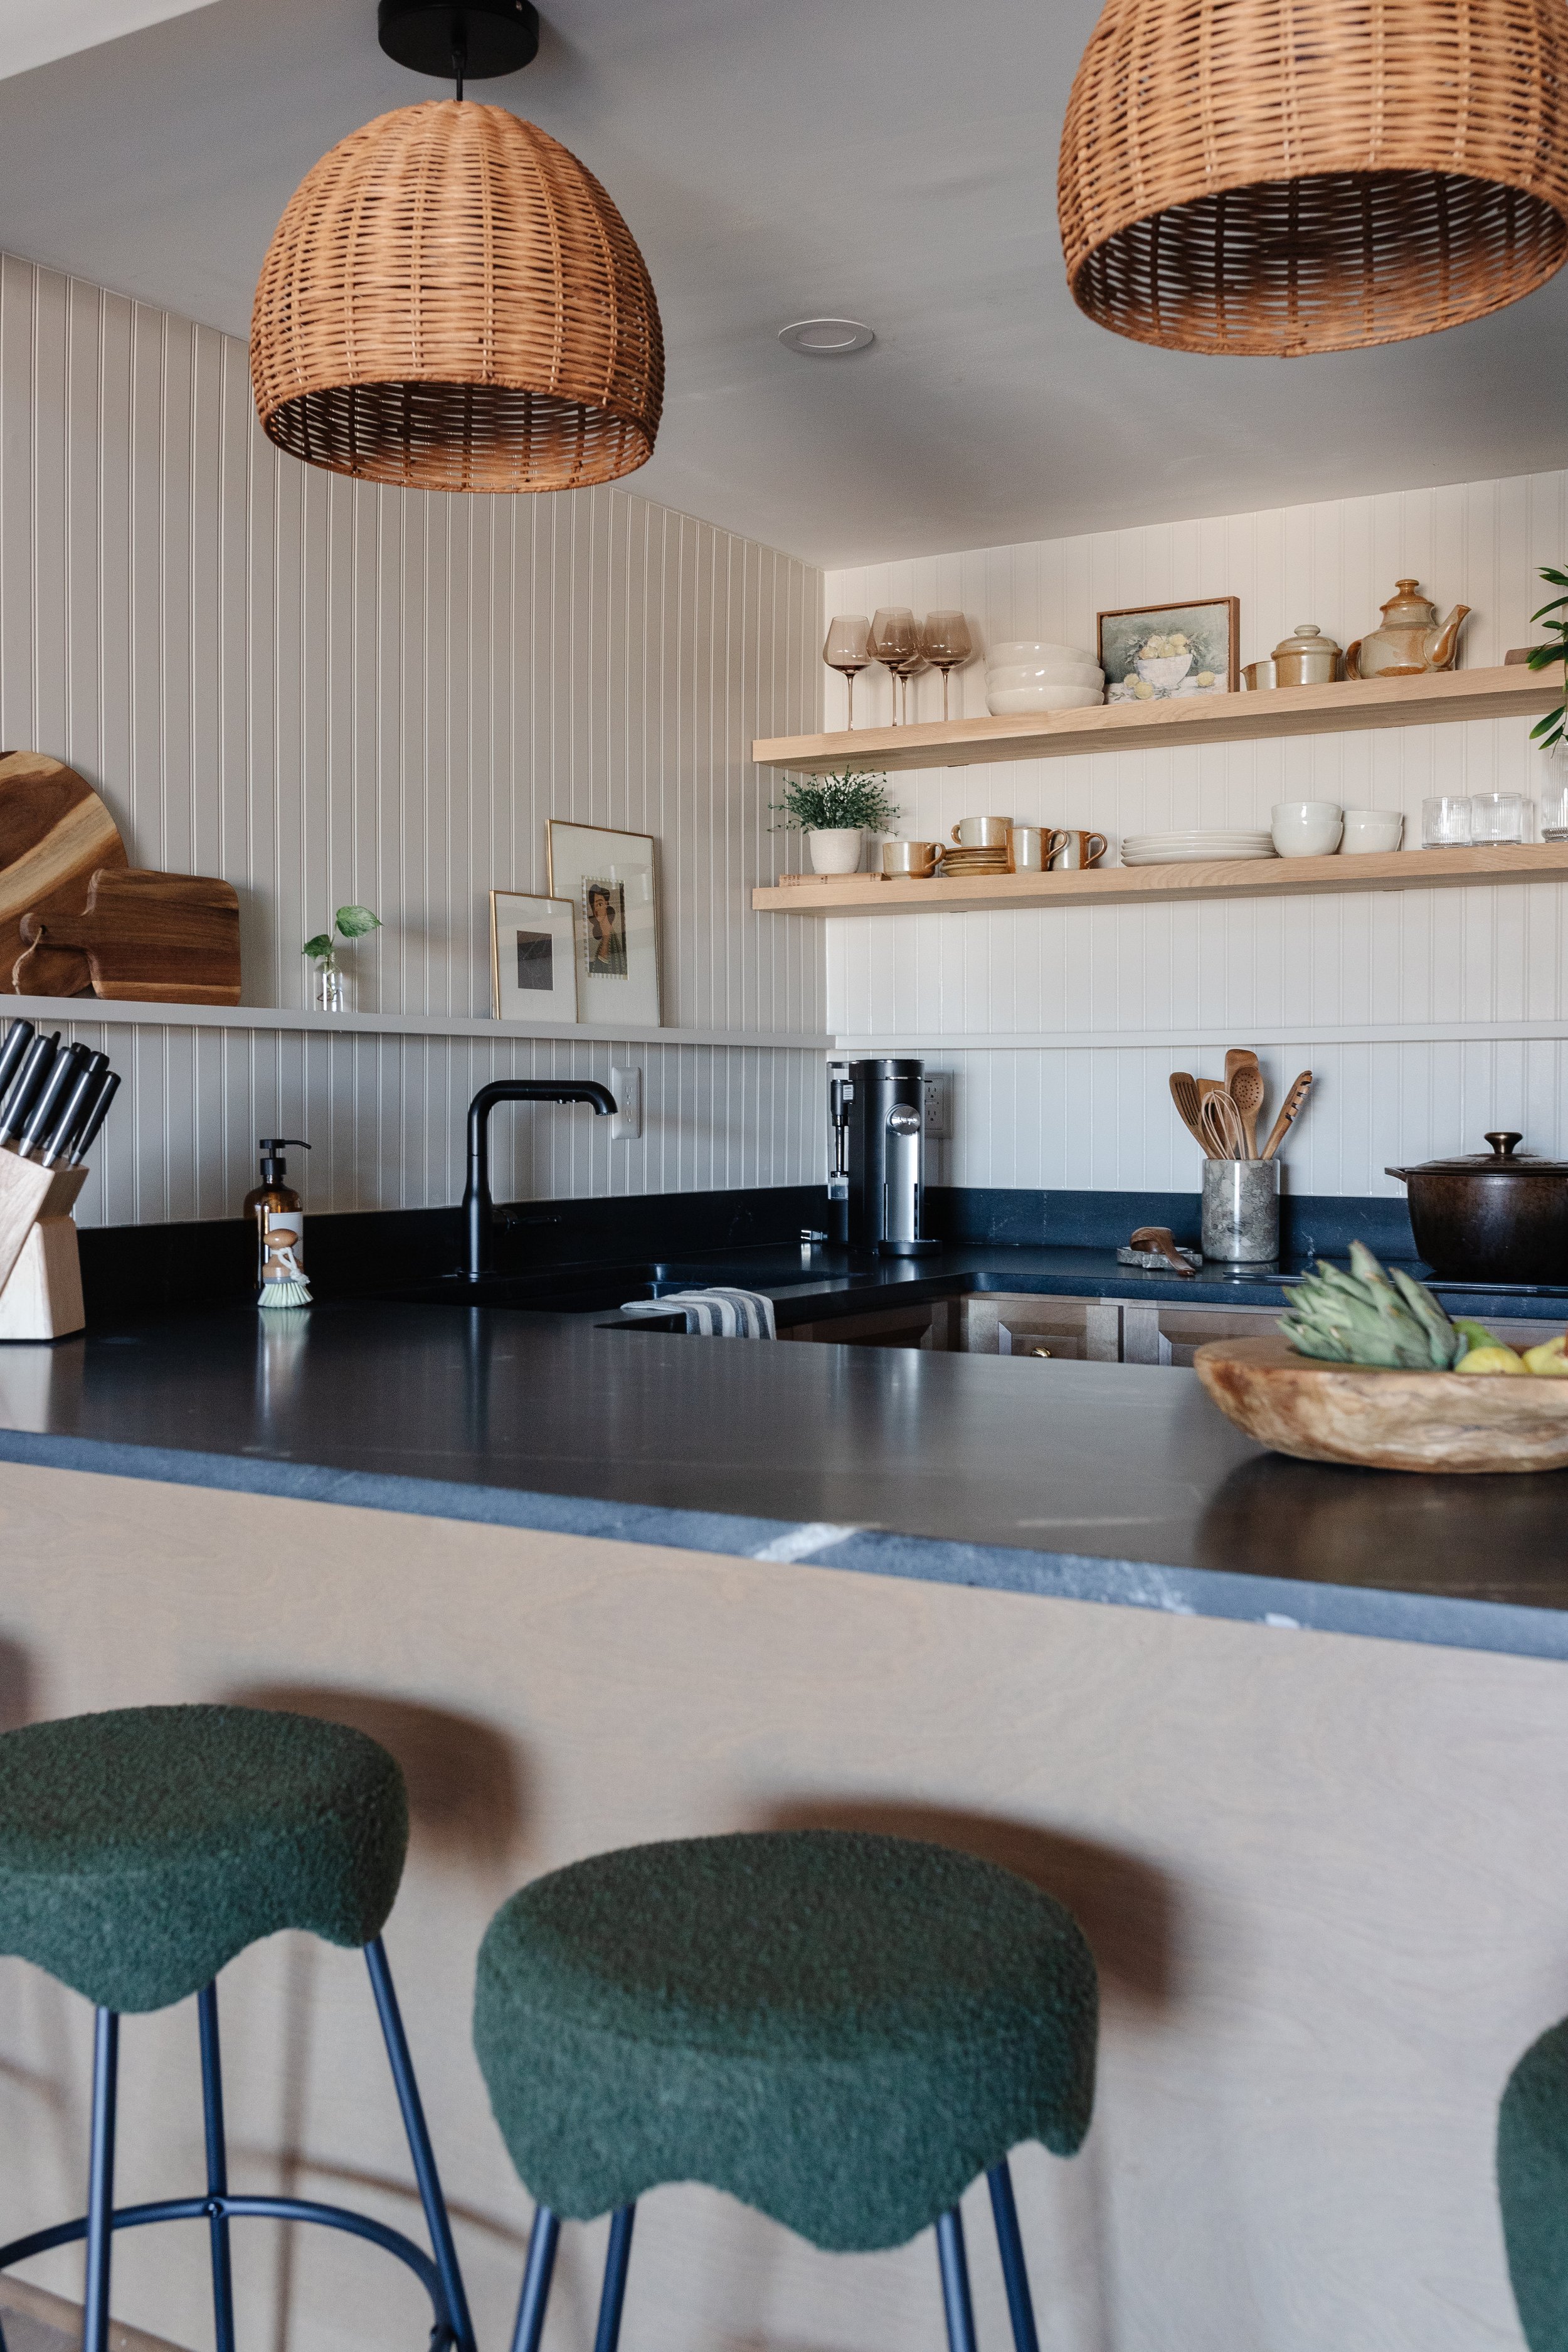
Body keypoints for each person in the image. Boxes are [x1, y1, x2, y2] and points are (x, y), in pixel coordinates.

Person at [585, 882, 627, 977]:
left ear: (606, 905)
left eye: (600, 904)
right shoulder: (601, 940)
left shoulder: (613, 938)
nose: (596, 910)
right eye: (594, 906)